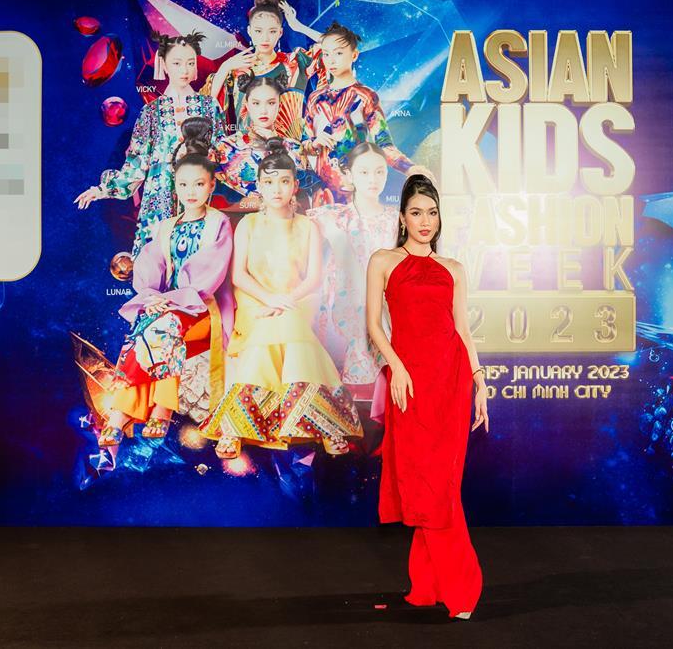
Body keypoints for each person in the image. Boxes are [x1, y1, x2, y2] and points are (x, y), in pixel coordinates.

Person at [365, 174, 489, 620]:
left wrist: (479, 380)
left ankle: (440, 588)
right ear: (402, 217)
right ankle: (444, 585)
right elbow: (374, 325)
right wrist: (397, 366)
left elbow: (462, 329)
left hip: (451, 382)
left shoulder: (453, 268)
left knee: (442, 485)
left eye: (432, 213)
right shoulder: (383, 261)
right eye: (416, 212)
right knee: (424, 483)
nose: (425, 221)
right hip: (410, 385)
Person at [199, 139, 362, 459]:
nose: (277, 189)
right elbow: (239, 276)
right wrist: (270, 300)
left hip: (297, 301)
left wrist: (286, 300)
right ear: (259, 186)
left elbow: (313, 279)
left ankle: (247, 425)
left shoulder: (308, 226)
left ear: (294, 186)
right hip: (257, 303)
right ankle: (320, 424)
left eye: (284, 181)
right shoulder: (248, 224)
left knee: (290, 325)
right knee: (282, 329)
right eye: (269, 182)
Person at [97, 118, 235, 447]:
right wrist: (151, 295)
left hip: (203, 308)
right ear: (175, 185)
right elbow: (150, 265)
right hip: (168, 308)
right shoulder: (167, 226)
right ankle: (128, 411)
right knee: (146, 324)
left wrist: (169, 301)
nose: (191, 192)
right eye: (183, 184)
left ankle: (153, 410)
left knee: (163, 325)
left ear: (211, 186)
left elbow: (208, 276)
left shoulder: (219, 223)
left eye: (199, 184)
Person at [76, 31, 227, 257]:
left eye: (190, 63)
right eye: (177, 63)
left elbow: (224, 153)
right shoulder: (150, 112)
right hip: (159, 201)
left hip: (199, 198)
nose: (184, 70)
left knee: (197, 264)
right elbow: (136, 166)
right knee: (157, 265)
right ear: (163, 64)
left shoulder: (209, 106)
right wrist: (101, 190)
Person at [302, 21, 433, 200]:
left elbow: (383, 143)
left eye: (338, 53)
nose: (331, 60)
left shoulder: (365, 96)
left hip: (354, 187)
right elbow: (303, 144)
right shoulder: (315, 98)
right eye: (326, 54)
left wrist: (409, 168)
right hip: (320, 189)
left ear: (354, 55)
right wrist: (314, 143)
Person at [306, 142, 397, 386]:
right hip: (345, 303)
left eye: (379, 172)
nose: (373, 179)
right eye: (364, 172)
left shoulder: (396, 219)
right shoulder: (333, 216)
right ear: (349, 175)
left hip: (388, 303)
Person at [204, 0, 323, 141]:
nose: (265, 38)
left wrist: (298, 26)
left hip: (289, 151)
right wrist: (225, 67)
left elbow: (337, 47)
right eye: (258, 31)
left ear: (280, 32)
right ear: (250, 31)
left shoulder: (294, 63)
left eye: (272, 31)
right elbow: (208, 106)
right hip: (245, 152)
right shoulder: (238, 68)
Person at [215, 74, 305, 209]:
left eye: (271, 103)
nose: (263, 110)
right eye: (256, 103)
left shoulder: (293, 147)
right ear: (247, 105)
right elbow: (217, 199)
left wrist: (274, 140)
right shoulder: (227, 147)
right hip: (240, 219)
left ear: (279, 104)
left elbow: (301, 194)